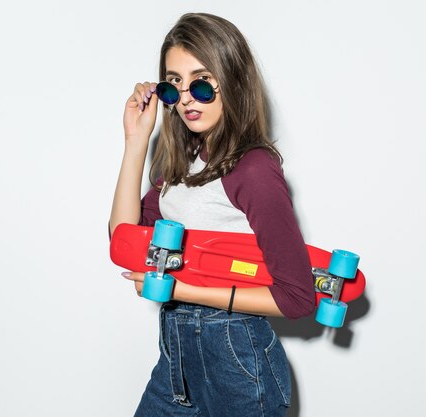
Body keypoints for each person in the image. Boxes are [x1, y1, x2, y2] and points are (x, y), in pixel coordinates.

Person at [109, 12, 315, 417]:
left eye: (201, 83)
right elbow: (125, 245)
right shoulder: (179, 166)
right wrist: (135, 142)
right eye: (174, 85)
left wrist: (179, 291)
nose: (186, 97)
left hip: (238, 367)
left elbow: (297, 297)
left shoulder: (253, 168)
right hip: (176, 365)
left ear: (232, 80)